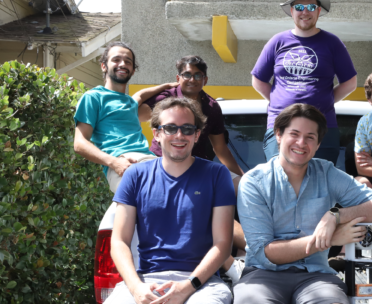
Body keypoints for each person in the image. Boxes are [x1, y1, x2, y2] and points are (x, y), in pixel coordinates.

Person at [234, 103, 372, 304]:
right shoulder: (254, 181)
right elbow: (266, 252)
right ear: (278, 135)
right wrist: (328, 239)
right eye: (294, 134)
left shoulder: (327, 173)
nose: (301, 143)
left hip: (316, 277)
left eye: (310, 137)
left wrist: (335, 216)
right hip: (263, 275)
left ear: (318, 144)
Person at [105, 97, 235, 304]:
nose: (179, 135)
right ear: (156, 134)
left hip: (201, 284)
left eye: (188, 129)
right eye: (171, 128)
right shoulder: (135, 175)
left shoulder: (217, 174)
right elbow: (119, 241)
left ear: (197, 135)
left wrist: (188, 286)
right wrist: (136, 288)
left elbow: (223, 244)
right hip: (145, 280)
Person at [132, 55, 246, 283]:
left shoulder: (212, 107)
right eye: (187, 74)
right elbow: (133, 107)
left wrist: (244, 178)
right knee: (207, 211)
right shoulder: (165, 98)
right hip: (164, 166)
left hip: (200, 167)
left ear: (205, 79)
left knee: (247, 190)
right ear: (178, 78)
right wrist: (163, 86)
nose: (192, 79)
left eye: (197, 75)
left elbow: (220, 148)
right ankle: (235, 262)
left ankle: (258, 250)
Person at [251, 0, 358, 164]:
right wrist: (278, 100)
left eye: (311, 7)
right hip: (281, 126)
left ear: (318, 11)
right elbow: (258, 80)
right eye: (299, 7)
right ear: (292, 11)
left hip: (322, 128)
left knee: (319, 183)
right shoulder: (277, 41)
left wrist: (325, 100)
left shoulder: (333, 43)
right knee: (281, 181)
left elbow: (350, 82)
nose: (305, 12)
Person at [74, 42, 155, 193]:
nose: (122, 64)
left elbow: (143, 95)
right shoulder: (94, 97)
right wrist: (115, 163)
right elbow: (79, 143)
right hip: (124, 163)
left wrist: (169, 86)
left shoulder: (131, 103)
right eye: (116, 60)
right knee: (137, 202)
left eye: (128, 62)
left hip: (150, 160)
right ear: (104, 66)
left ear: (133, 71)